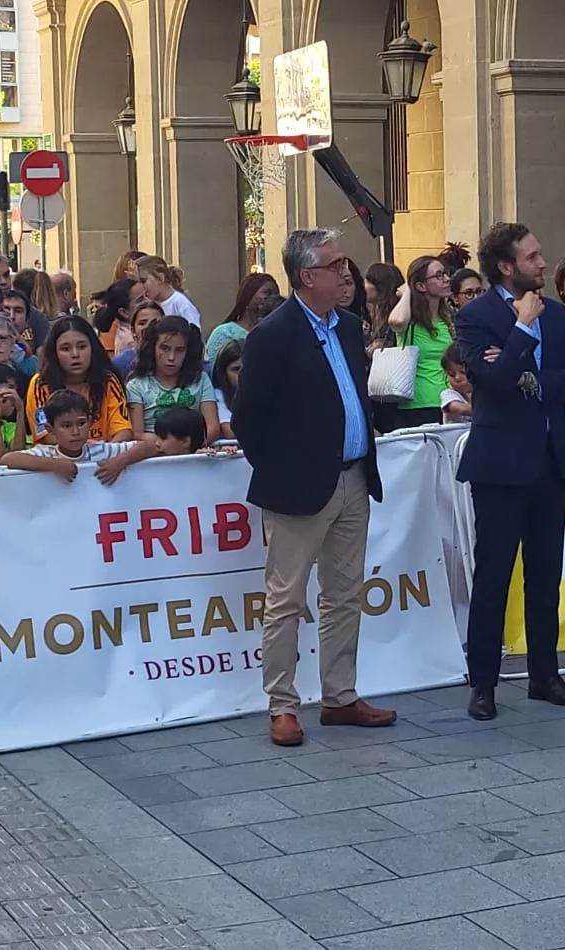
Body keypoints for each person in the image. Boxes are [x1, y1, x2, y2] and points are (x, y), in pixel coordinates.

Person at [233, 227, 396, 747]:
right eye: (335, 264)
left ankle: (339, 696)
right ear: (308, 276)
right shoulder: (273, 334)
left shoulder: (347, 327)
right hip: (298, 489)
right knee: (285, 600)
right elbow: (248, 419)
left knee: (344, 595)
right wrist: (284, 469)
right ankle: (282, 704)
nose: (345, 271)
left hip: (352, 476)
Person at [457, 222, 565, 719]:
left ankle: (545, 674)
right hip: (499, 465)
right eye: (532, 257)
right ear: (507, 266)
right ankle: (484, 684)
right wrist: (518, 330)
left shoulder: (556, 318)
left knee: (545, 575)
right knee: (494, 575)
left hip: (549, 461)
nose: (542, 262)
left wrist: (530, 378)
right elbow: (489, 378)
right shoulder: (475, 316)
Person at [1, 387, 154, 483]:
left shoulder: (99, 450)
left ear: (90, 422)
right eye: (66, 426)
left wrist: (120, 462)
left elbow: (149, 446)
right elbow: (8, 459)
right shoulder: (46, 454)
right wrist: (55, 465)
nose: (75, 432)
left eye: (81, 423)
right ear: (50, 428)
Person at [27, 316, 131, 449]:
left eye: (82, 347)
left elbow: (124, 431)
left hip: (104, 458)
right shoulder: (40, 384)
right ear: (54, 353)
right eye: (65, 349)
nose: (75, 354)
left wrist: (103, 451)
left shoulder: (108, 380)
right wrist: (84, 450)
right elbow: (45, 435)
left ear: (92, 348)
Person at [382, 255, 457, 429]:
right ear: (421, 285)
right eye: (438, 275)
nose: (446, 279)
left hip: (448, 401)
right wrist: (408, 288)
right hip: (417, 405)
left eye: (446, 273)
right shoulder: (410, 320)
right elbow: (397, 321)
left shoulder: (447, 319)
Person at [126, 316, 217, 442]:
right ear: (152, 348)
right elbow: (137, 434)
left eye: (179, 350)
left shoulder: (201, 380)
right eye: (165, 348)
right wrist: (172, 446)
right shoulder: (136, 386)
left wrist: (191, 447)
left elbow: (212, 427)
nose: (171, 357)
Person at [207, 273, 280, 365]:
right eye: (267, 293)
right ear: (248, 296)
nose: (273, 298)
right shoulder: (225, 333)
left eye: (276, 294)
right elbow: (214, 370)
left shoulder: (279, 331)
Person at [135, 256, 200, 327]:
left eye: (143, 281)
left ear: (160, 278)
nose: (140, 287)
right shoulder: (147, 303)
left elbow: (194, 332)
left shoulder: (181, 304)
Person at [210, 339, 243, 440]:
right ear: (224, 374)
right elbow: (230, 432)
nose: (243, 374)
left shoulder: (266, 392)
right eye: (236, 369)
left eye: (248, 367)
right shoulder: (218, 395)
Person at [438, 346, 473, 422]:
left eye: (463, 372)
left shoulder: (484, 392)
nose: (457, 378)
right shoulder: (448, 394)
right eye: (451, 374)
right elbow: (462, 409)